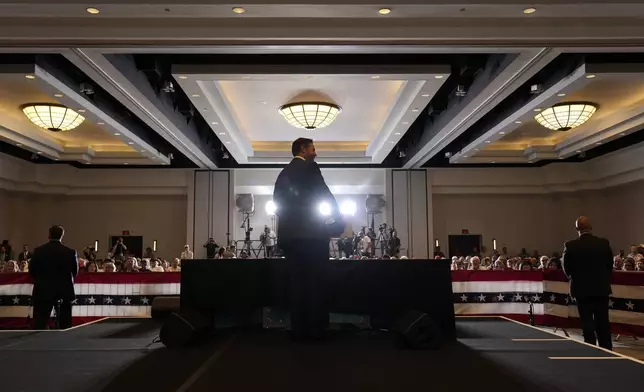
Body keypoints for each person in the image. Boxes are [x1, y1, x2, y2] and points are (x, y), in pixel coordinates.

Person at [273, 137, 344, 341]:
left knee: (296, 284)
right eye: (313, 148)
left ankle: (298, 330)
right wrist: (338, 222)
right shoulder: (311, 169)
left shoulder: (284, 173)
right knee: (316, 283)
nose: (316, 153)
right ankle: (316, 330)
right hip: (313, 237)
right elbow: (325, 195)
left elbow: (277, 204)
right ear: (303, 150)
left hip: (291, 239)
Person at [562, 216, 613, 350]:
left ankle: (590, 348)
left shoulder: (571, 245)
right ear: (591, 227)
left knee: (586, 321)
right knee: (603, 321)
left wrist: (575, 279)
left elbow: (566, 268)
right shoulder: (603, 243)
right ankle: (606, 348)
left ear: (577, 228)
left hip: (581, 289)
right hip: (601, 289)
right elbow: (609, 265)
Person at [29, 226, 79, 329]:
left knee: (40, 321)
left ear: (49, 235)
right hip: (64, 291)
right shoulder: (70, 252)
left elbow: (32, 270)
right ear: (62, 235)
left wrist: (41, 280)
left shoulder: (39, 251)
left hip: (43, 290)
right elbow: (74, 271)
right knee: (65, 323)